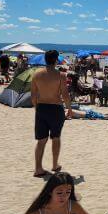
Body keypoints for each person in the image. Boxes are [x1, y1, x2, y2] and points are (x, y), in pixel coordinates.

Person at [31, 49, 72, 178]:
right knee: (56, 137)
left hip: (41, 107)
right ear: (56, 60)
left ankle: (38, 168)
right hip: (56, 108)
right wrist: (69, 108)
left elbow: (33, 95)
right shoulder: (61, 75)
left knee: (41, 140)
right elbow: (65, 94)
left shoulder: (36, 74)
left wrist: (36, 107)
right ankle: (54, 165)